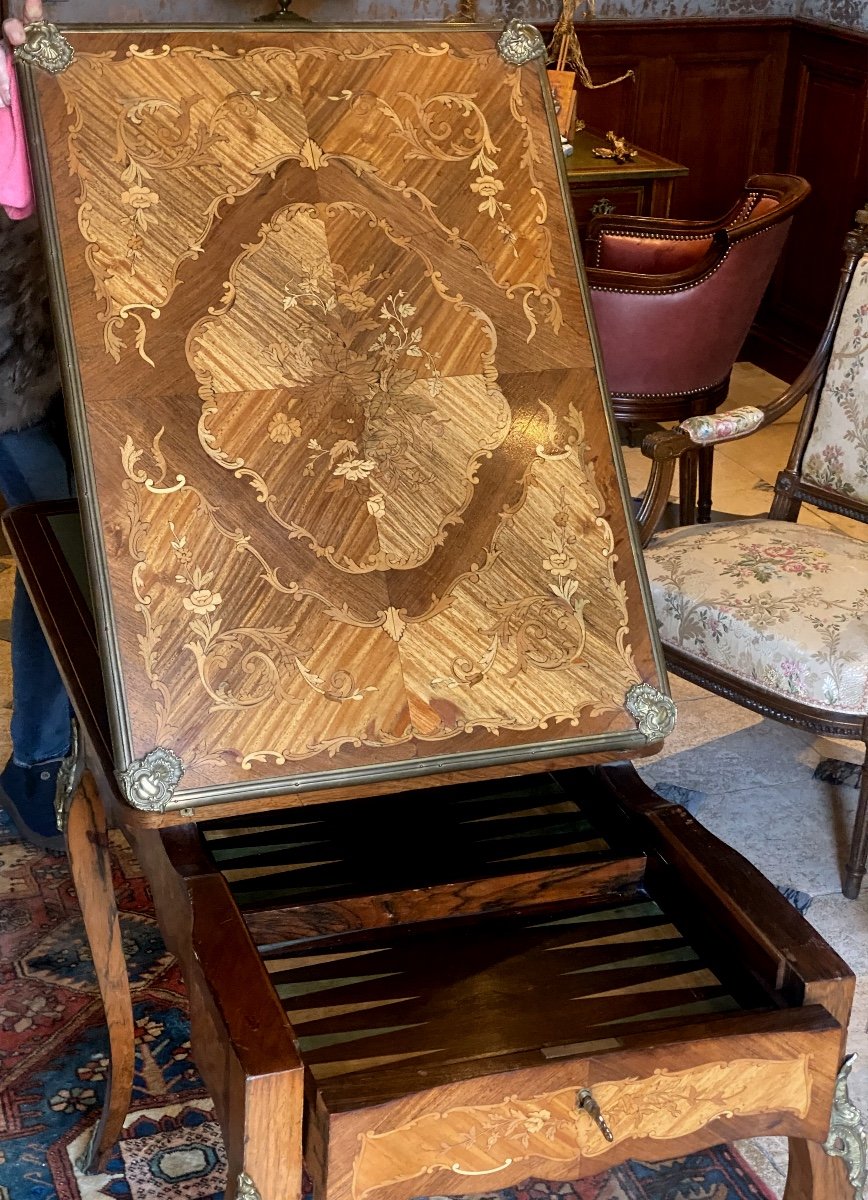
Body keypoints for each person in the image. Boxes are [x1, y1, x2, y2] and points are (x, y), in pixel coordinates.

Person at [0, 0, 73, 851]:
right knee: (61, 552)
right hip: (11, 375)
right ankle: (37, 766)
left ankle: (37, 763)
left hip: (63, 361)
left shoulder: (42, 57)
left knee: (57, 553)